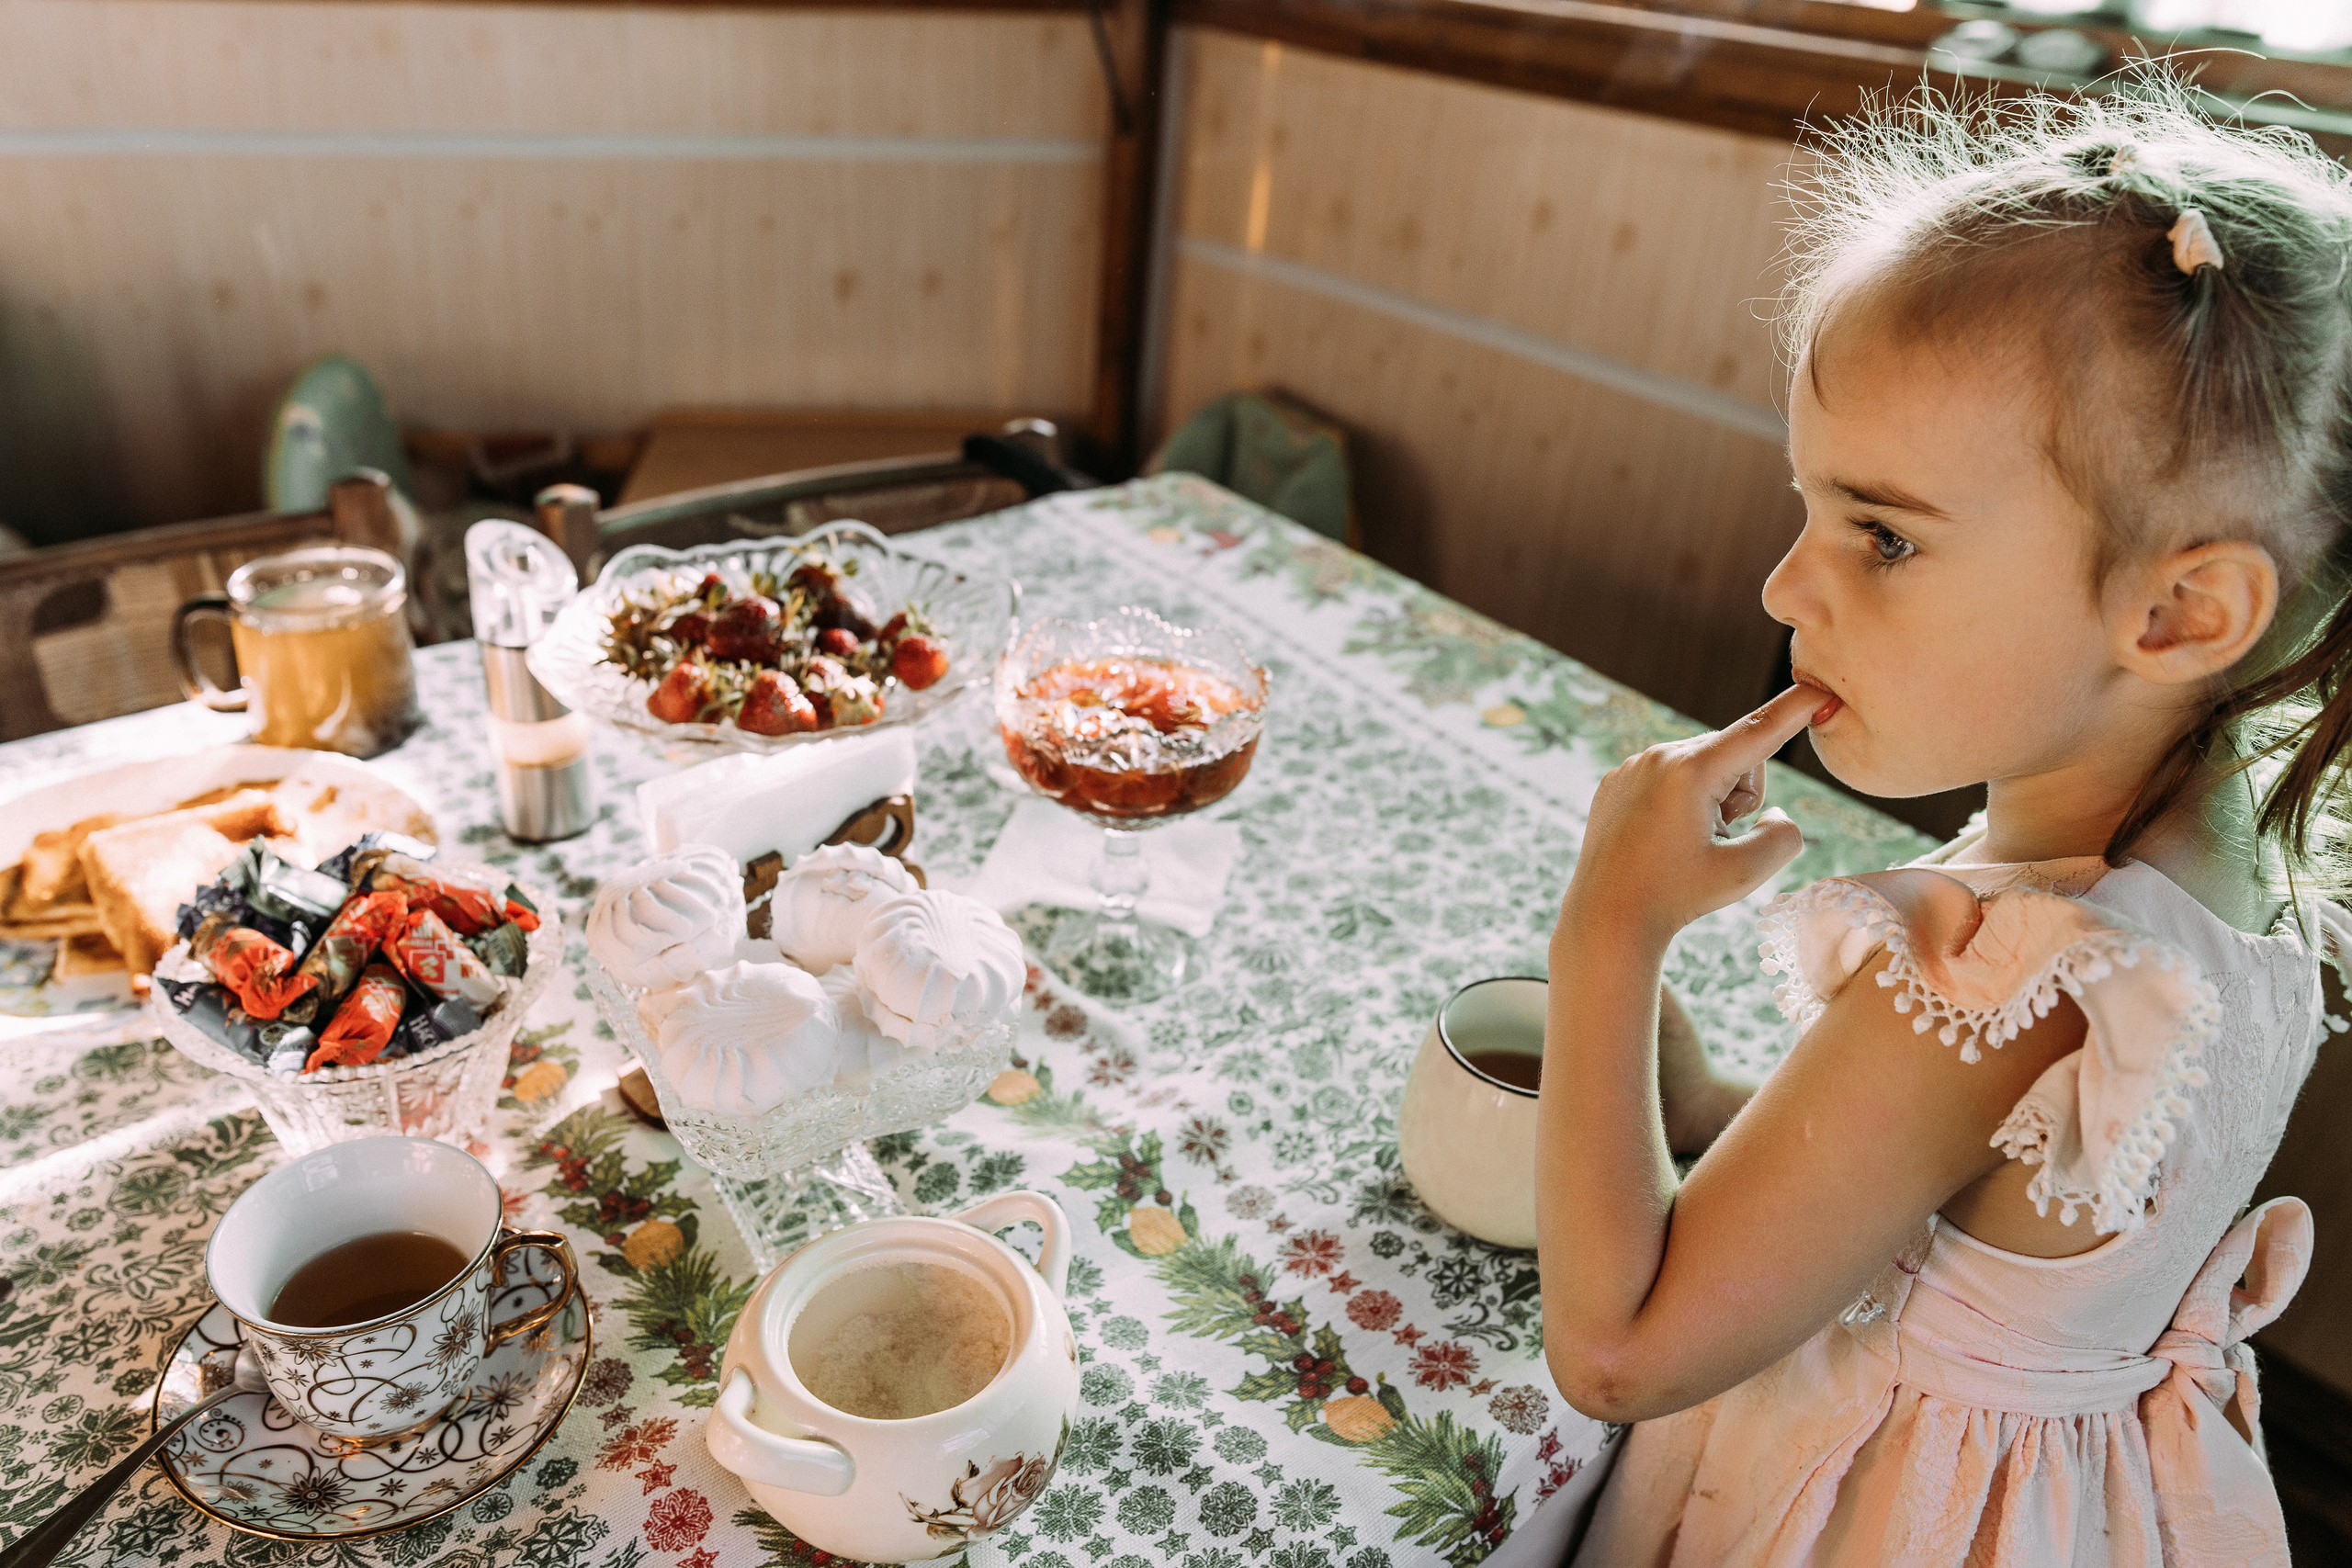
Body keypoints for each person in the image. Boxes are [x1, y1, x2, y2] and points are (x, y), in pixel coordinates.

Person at [1541, 76, 2346, 1566]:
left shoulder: (2012, 971)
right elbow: (1927, 1213)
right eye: (1811, 510)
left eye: (1884, 534)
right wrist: (1711, 1100)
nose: (1786, 590)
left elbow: (1618, 1352)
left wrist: (1612, 933)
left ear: (2178, 613)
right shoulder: (2221, 894)